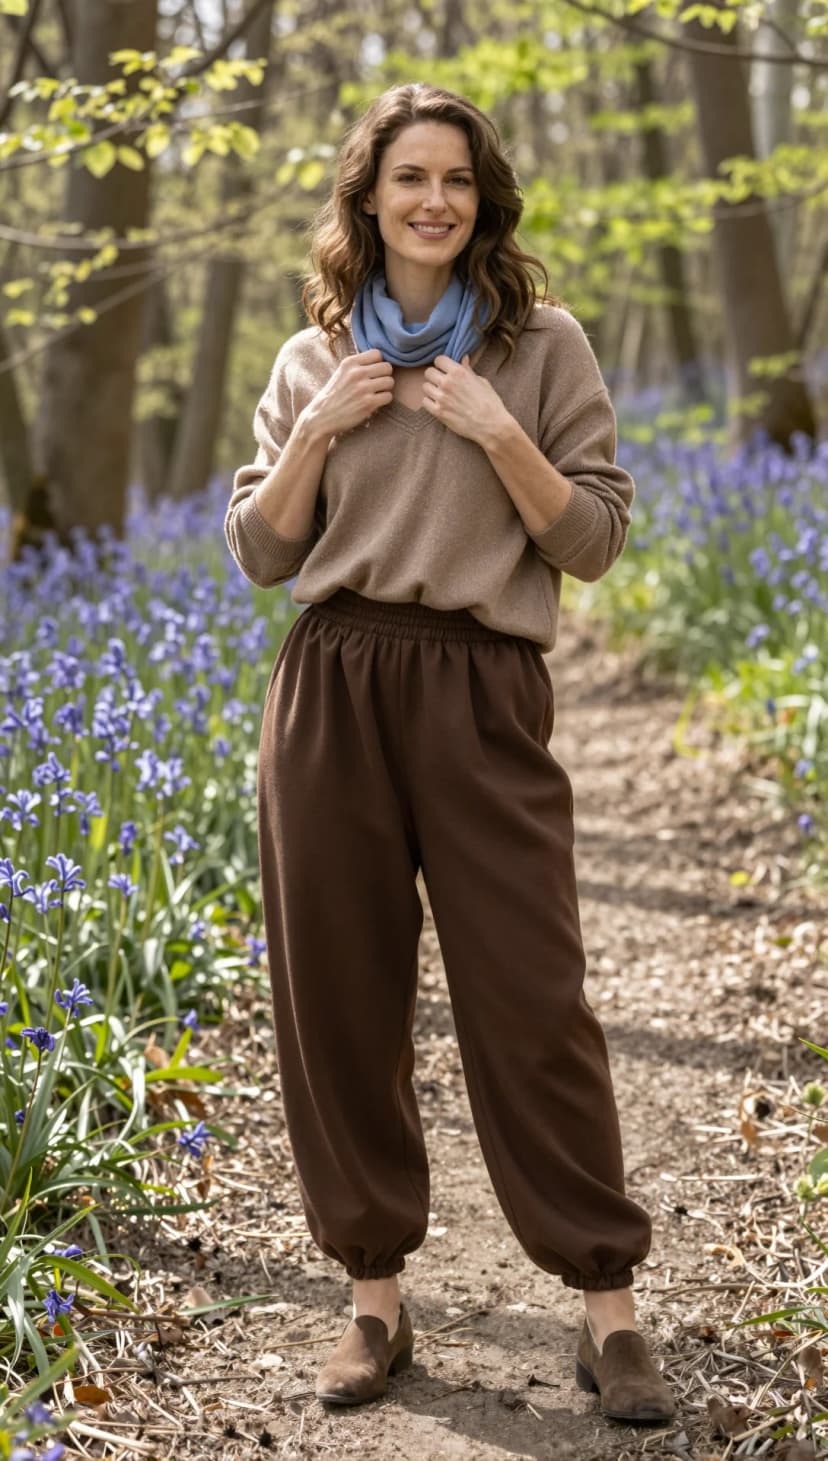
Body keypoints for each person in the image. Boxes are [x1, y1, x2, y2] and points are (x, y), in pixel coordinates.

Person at [225, 82, 675, 1426]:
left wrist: (498, 432)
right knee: (340, 995)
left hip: (484, 689)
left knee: (532, 993)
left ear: (485, 204)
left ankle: (608, 1305)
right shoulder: (310, 359)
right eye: (409, 176)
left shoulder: (544, 346)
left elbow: (594, 538)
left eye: (458, 182)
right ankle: (374, 1294)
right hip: (333, 683)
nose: (433, 200)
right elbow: (261, 551)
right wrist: (316, 431)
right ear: (367, 196)